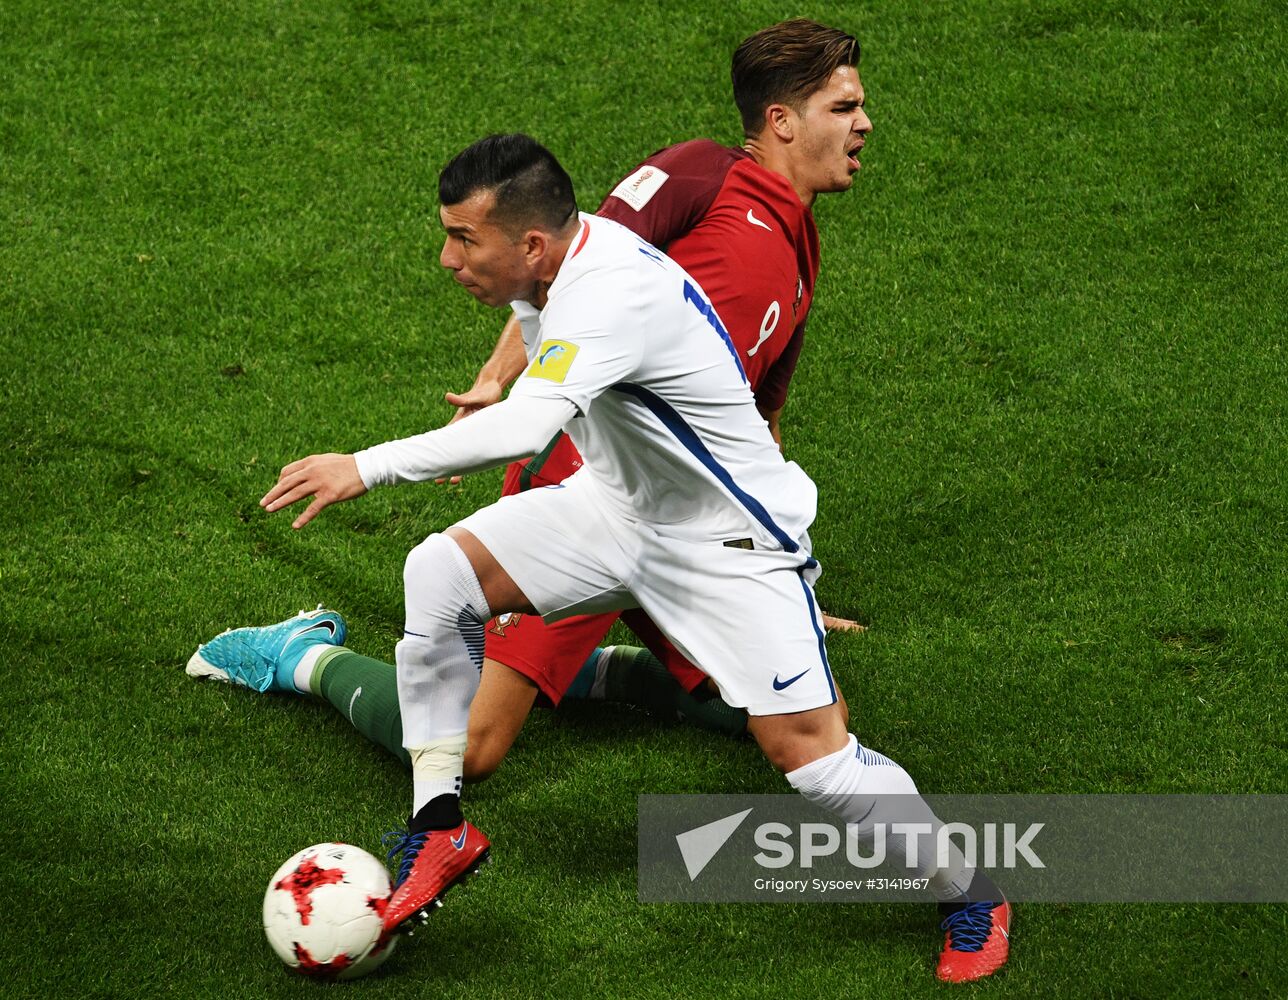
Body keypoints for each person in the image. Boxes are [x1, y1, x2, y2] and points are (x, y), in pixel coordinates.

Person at [240, 132, 1011, 983]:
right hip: (614, 510)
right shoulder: (556, 267)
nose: (446, 257)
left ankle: (972, 891)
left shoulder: (609, 294)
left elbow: (529, 427)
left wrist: (364, 465)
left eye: (464, 239)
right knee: (438, 571)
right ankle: (439, 824)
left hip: (728, 546)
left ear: (530, 245)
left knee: (816, 762)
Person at [190, 19, 870, 779]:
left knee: (791, 722)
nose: (864, 124)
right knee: (470, 751)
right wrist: (496, 378)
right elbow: (552, 260)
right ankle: (303, 655)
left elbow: (759, 420)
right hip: (581, 482)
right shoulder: (696, 175)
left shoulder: (802, 250)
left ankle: (581, 662)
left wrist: (784, 576)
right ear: (782, 119)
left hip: (689, 523)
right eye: (844, 108)